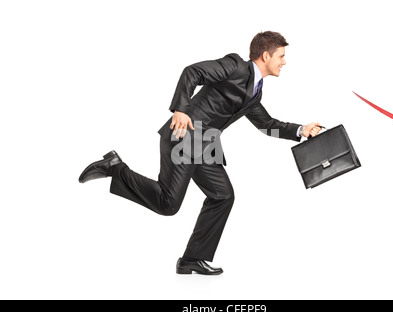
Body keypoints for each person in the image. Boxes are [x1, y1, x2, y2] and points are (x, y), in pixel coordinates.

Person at [79, 31, 322, 275]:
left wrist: (301, 130)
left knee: (223, 195)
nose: (284, 62)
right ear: (266, 55)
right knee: (167, 203)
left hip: (206, 145)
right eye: (281, 56)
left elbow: (267, 126)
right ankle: (115, 168)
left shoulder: (255, 91)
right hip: (186, 134)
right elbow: (192, 71)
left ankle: (192, 259)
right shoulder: (235, 65)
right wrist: (180, 109)